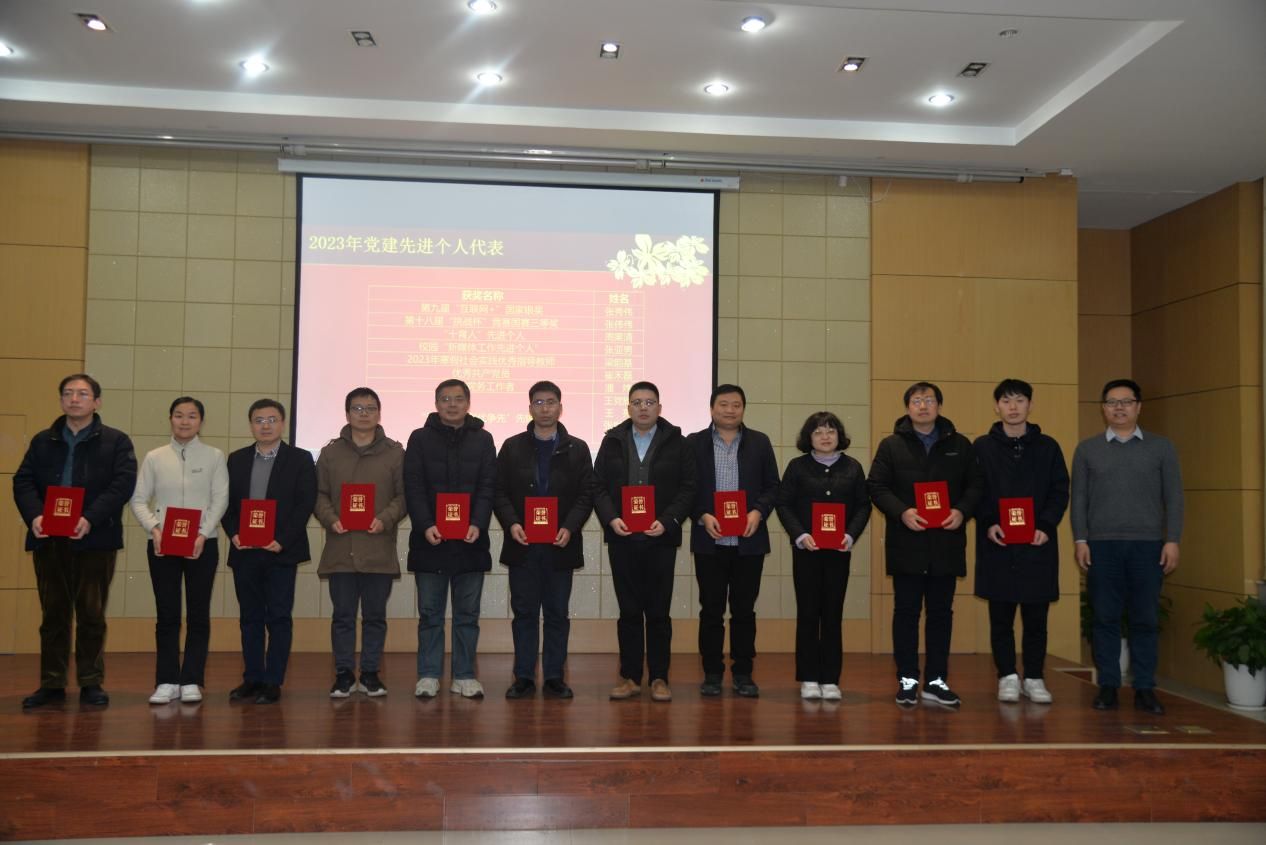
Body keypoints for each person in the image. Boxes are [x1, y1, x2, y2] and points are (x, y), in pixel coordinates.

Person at [13, 374, 137, 709]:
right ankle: (52, 683)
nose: (74, 399)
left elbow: (122, 485)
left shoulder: (116, 441)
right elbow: (23, 481)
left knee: (91, 614)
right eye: (67, 393)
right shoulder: (43, 440)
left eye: (82, 394)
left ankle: (90, 682)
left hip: (95, 538)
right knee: (53, 615)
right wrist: (35, 516)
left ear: (97, 402)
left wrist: (89, 518)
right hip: (49, 538)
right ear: (61, 401)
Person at [868, 381, 983, 708]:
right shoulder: (891, 445)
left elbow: (976, 485)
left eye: (929, 400)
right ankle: (907, 680)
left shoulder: (960, 444)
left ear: (939, 406)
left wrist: (962, 511)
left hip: (946, 542)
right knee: (905, 613)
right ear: (908, 407)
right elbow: (876, 486)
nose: (923, 406)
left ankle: (936, 680)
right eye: (917, 400)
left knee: (940, 614)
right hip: (907, 542)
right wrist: (902, 512)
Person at [1073, 378, 1183, 715]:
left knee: (1145, 618)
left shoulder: (1161, 447)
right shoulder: (1087, 449)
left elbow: (1174, 498)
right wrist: (1080, 539)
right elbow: (1079, 499)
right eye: (1112, 402)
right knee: (1104, 617)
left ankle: (1145, 688)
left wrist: (1172, 540)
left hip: (1148, 546)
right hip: (1101, 546)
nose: (1119, 408)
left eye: (1126, 401)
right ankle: (1108, 685)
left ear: (1138, 406)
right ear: (1103, 409)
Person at [593, 381, 696, 702]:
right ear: (628, 408)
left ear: (659, 408)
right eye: (637, 402)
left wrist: (667, 520)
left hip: (660, 538)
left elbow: (689, 487)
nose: (643, 407)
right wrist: (612, 518)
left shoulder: (678, 443)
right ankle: (630, 677)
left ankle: (660, 677)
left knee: (658, 612)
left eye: (649, 402)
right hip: (623, 538)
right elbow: (597, 486)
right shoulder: (612, 441)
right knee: (629, 611)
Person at [493, 381, 595, 699]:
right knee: (524, 613)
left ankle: (554, 677)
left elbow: (586, 494)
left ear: (560, 407)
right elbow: (499, 491)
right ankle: (523, 676)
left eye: (551, 402)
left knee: (556, 614)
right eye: (539, 402)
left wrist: (570, 527)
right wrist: (511, 524)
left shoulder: (578, 448)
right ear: (530, 408)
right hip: (522, 544)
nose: (545, 408)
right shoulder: (512, 446)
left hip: (560, 544)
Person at [973, 379, 1069, 704]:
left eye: (1019, 400)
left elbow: (1060, 490)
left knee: (1036, 618)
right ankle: (1007, 676)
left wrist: (1046, 524)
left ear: (1030, 405)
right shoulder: (982, 447)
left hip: (1037, 544)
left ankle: (1034, 677)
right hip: (997, 543)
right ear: (996, 406)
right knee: (1000, 617)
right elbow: (974, 490)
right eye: (1006, 401)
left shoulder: (1048, 447)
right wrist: (988, 522)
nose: (1013, 407)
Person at [130, 396, 229, 705]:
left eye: (192, 416)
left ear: (201, 421)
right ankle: (167, 680)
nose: (185, 421)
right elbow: (138, 499)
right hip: (163, 545)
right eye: (178, 415)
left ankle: (191, 680)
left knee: (198, 614)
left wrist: (202, 533)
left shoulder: (214, 456)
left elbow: (220, 499)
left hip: (203, 544)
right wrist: (154, 529)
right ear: (170, 419)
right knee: (167, 614)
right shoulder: (155, 457)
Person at [404, 379, 497, 700]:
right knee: (430, 614)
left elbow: (488, 486)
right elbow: (413, 486)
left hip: (470, 541)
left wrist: (478, 523)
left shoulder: (483, 439)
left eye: (458, 399)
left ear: (468, 403)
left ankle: (464, 675)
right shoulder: (419, 438)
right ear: (436, 403)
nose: (452, 404)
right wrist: (425, 524)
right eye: (445, 399)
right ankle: (428, 674)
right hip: (430, 540)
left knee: (467, 615)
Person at [221, 399, 317, 704]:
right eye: (259, 420)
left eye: (272, 419)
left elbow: (305, 503)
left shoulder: (300, 459)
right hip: (245, 551)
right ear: (251, 425)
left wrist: (283, 539)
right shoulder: (236, 459)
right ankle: (252, 678)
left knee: (278, 617)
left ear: (283, 423)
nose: (265, 426)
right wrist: (234, 533)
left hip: (280, 551)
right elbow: (225, 503)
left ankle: (273, 681)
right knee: (249, 617)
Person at [687, 384, 780, 698]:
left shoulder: (759, 442)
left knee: (744, 610)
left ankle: (743, 672)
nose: (730, 410)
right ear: (711, 408)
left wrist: (758, 512)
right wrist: (702, 515)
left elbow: (773, 486)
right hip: (709, 540)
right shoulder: (694, 443)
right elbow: (685, 487)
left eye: (736, 405)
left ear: (743, 409)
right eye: (723, 404)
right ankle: (712, 673)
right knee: (711, 610)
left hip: (748, 542)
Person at [313, 387, 406, 698]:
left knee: (375, 617)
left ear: (379, 413)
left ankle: (369, 674)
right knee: (342, 616)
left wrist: (385, 518)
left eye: (370, 408)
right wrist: (330, 518)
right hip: (341, 547)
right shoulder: (330, 453)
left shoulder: (395, 453)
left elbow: (404, 496)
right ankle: (343, 674)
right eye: (357, 408)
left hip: (377, 547)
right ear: (347, 414)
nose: (364, 414)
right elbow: (319, 494)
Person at [774, 411, 871, 701]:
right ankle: (808, 677)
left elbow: (863, 506)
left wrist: (850, 535)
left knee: (832, 614)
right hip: (807, 552)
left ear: (839, 436)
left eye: (830, 431)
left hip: (838, 552)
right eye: (818, 432)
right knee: (807, 613)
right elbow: (783, 503)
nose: (825, 436)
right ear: (809, 438)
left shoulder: (853, 467)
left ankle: (830, 678)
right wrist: (800, 535)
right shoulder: (797, 467)